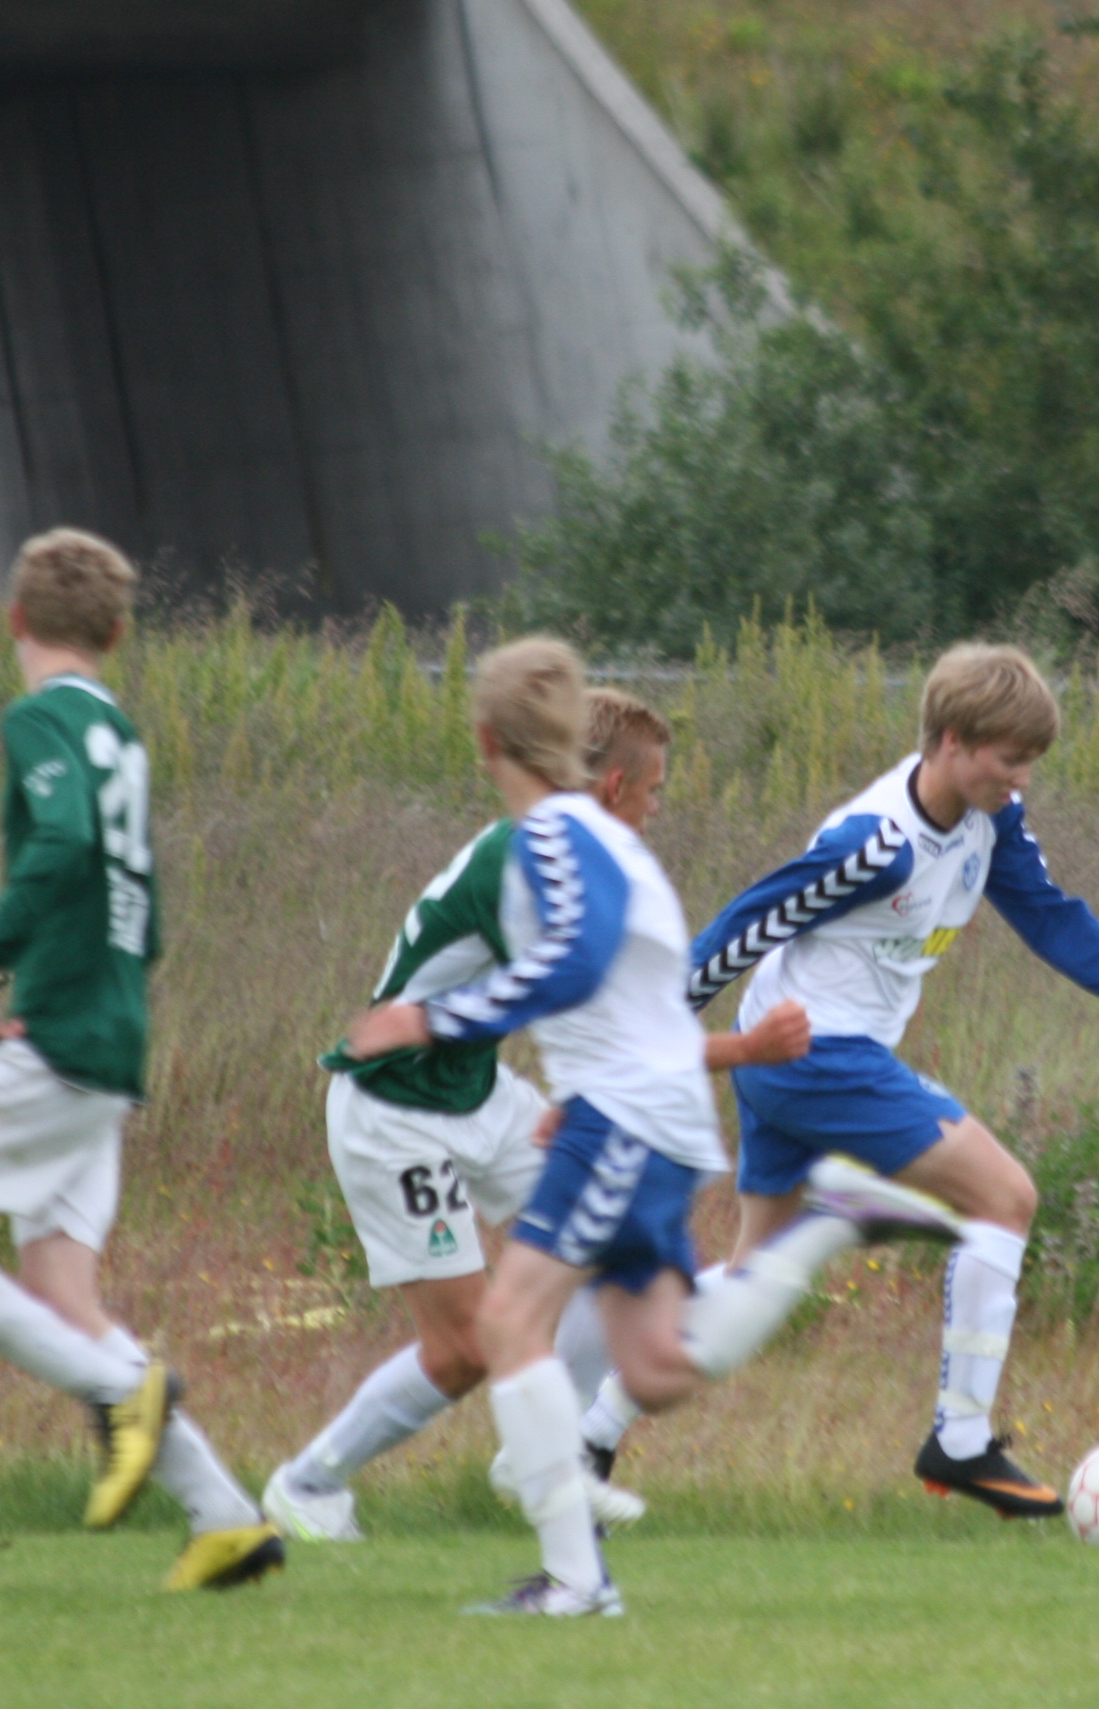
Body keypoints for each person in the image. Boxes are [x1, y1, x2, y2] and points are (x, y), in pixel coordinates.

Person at [338, 639, 963, 1616]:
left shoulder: (555, 836)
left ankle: (575, 1580)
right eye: (659, 787)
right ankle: (826, 1225)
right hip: (650, 1118)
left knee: (507, 1324)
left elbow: (576, 968)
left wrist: (431, 1019)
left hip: (625, 1119)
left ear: (487, 740)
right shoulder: (607, 843)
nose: (658, 801)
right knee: (657, 1366)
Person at [576, 643, 1099, 1518]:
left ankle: (591, 1432)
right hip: (816, 1056)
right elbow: (745, 928)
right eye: (1009, 759)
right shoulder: (874, 846)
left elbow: (1051, 919)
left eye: (1030, 762)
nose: (1021, 779)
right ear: (952, 741)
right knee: (1006, 1197)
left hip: (803, 1062)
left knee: (757, 1277)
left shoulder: (992, 823)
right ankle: (961, 1439)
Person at [0, 527, 282, 1592]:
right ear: (118, 633)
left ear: (14, 620)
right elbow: (145, 909)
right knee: (60, 1292)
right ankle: (227, 1519)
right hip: (111, 1038)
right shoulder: (119, 731)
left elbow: (64, 840)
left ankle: (122, 1394)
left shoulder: (38, 717)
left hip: (66, 1039)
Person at [261, 687, 806, 1543]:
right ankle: (307, 1485)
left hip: (477, 1095)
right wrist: (748, 1047)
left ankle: (537, 1461)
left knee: (609, 1250)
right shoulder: (534, 862)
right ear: (616, 787)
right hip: (393, 1111)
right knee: (463, 1351)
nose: (657, 811)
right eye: (656, 791)